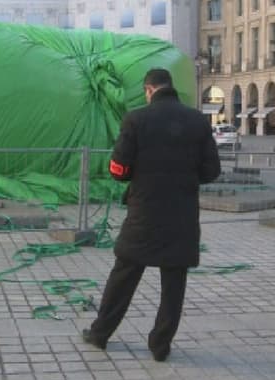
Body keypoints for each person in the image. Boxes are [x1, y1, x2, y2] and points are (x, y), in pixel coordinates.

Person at [81, 68, 221, 361]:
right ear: (170, 87)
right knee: (174, 281)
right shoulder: (197, 120)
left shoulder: (136, 119)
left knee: (124, 274)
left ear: (148, 90)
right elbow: (212, 171)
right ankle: (160, 345)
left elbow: (118, 170)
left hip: (144, 212)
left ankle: (100, 333)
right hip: (181, 214)